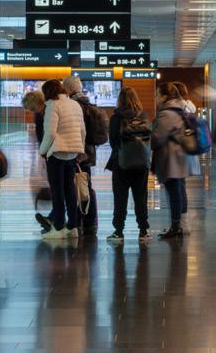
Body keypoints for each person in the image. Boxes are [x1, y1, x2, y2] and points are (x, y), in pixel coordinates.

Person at [37, 79, 86, 239]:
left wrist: (42, 151)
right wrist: (80, 149)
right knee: (70, 191)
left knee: (57, 192)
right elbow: (82, 130)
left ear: (47, 92)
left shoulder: (52, 105)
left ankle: (58, 228)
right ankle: (73, 227)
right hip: (72, 153)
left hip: (57, 154)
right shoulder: (75, 104)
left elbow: (50, 133)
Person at [106, 87, 152, 242]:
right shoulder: (144, 116)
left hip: (121, 163)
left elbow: (113, 141)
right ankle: (143, 231)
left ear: (120, 99)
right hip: (142, 163)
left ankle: (118, 231)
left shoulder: (116, 118)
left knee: (120, 197)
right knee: (141, 197)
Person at [64, 76, 106, 236]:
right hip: (89, 153)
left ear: (69, 89)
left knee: (74, 187)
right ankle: (90, 221)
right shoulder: (88, 104)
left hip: (76, 153)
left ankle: (77, 221)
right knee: (85, 185)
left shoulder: (73, 106)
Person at [152, 82, 190, 239]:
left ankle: (176, 227)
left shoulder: (167, 114)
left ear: (164, 96)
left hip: (170, 159)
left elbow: (157, 138)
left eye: (157, 94)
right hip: (178, 157)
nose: (155, 97)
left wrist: (150, 135)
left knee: (174, 192)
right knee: (177, 191)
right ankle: (178, 225)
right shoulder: (178, 109)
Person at [173, 82, 199, 226]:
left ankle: (181, 222)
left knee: (178, 187)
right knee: (180, 185)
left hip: (179, 150)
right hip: (186, 150)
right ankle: (182, 220)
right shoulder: (190, 106)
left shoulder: (179, 107)